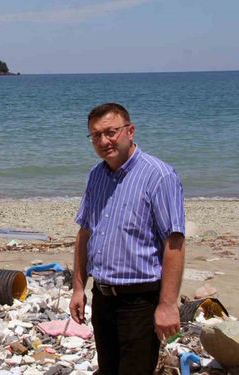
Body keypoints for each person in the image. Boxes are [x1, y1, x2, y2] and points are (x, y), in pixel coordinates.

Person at [70, 103, 186, 374]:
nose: (103, 141)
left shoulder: (159, 175)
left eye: (111, 132)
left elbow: (175, 243)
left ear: (130, 131)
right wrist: (78, 288)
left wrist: (167, 305)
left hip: (140, 301)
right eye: (96, 135)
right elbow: (85, 232)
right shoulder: (96, 175)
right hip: (102, 297)